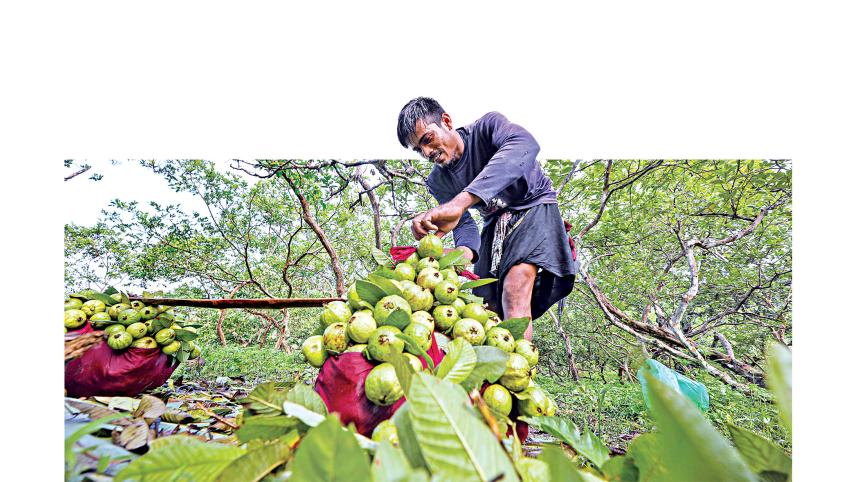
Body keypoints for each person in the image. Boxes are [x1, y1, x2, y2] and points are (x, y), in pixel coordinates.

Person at [397, 97, 578, 340]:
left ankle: (519, 373)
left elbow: (524, 144)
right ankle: (490, 375)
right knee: (484, 306)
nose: (427, 152)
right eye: (419, 150)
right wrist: (448, 255)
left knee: (514, 290)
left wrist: (460, 202)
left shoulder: (487, 127)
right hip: (494, 224)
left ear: (446, 121)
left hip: (534, 204)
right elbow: (465, 229)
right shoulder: (438, 181)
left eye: (427, 140)